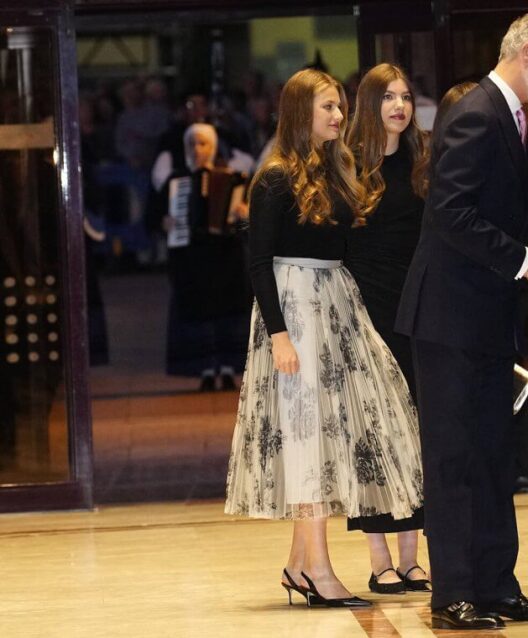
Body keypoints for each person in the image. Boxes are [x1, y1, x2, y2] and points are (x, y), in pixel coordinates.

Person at [395, 11, 528, 630]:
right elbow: (451, 214)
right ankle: (454, 596)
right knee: (456, 459)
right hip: (450, 319)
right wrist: (525, 260)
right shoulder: (476, 113)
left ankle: (498, 587)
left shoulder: (507, 115)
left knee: (496, 457)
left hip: (483, 316)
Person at [223, 68, 423, 609]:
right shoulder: (274, 176)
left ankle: (299, 566)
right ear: (299, 113)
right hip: (295, 305)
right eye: (328, 108)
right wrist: (279, 335)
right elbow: (258, 262)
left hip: (335, 299)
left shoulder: (339, 168)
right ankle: (320, 571)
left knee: (334, 432)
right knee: (309, 434)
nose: (339, 116)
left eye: (339, 107)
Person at [344, 62, 431, 595]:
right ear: (369, 105)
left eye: (406, 96)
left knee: (415, 429)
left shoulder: (424, 157)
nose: (399, 106)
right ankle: (378, 557)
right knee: (372, 433)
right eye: (388, 98)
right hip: (362, 308)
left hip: (415, 305)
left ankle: (412, 556)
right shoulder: (347, 163)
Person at [158, 123, 251, 390]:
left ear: (213, 147)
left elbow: (244, 224)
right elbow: (154, 218)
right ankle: (205, 369)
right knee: (198, 312)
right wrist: (165, 222)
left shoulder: (233, 178)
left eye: (203, 144)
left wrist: (244, 214)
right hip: (191, 257)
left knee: (227, 311)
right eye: (193, 144)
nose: (198, 150)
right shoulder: (176, 181)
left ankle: (226, 367)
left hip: (226, 256)